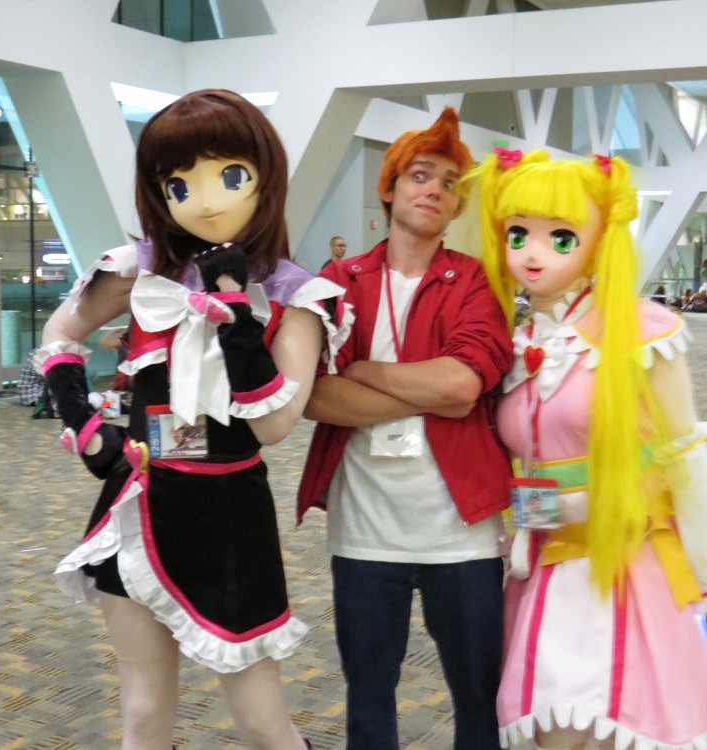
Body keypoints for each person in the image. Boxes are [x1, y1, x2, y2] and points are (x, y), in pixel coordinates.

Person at [35, 89, 343, 750]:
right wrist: (82, 422)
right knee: (144, 711)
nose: (203, 201)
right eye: (179, 184)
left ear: (265, 178)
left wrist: (236, 316)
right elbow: (60, 332)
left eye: (229, 176)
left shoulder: (295, 295)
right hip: (139, 502)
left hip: (229, 517)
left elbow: (275, 426)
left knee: (261, 722)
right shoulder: (140, 271)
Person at [463, 149, 707, 750]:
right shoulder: (510, 344)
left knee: (613, 724)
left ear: (599, 242)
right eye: (518, 234)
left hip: (632, 561)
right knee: (551, 729)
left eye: (560, 238)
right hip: (548, 565)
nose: (533, 253)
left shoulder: (643, 332)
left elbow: (686, 454)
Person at [296, 108, 514, 750]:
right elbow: (315, 395)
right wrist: (430, 392)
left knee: (480, 698)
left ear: (457, 206)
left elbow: (462, 386)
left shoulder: (474, 281)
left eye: (449, 183)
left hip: (461, 533)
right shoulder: (337, 283)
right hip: (366, 531)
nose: (434, 190)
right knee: (368, 697)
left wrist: (365, 371)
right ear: (388, 188)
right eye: (420, 175)